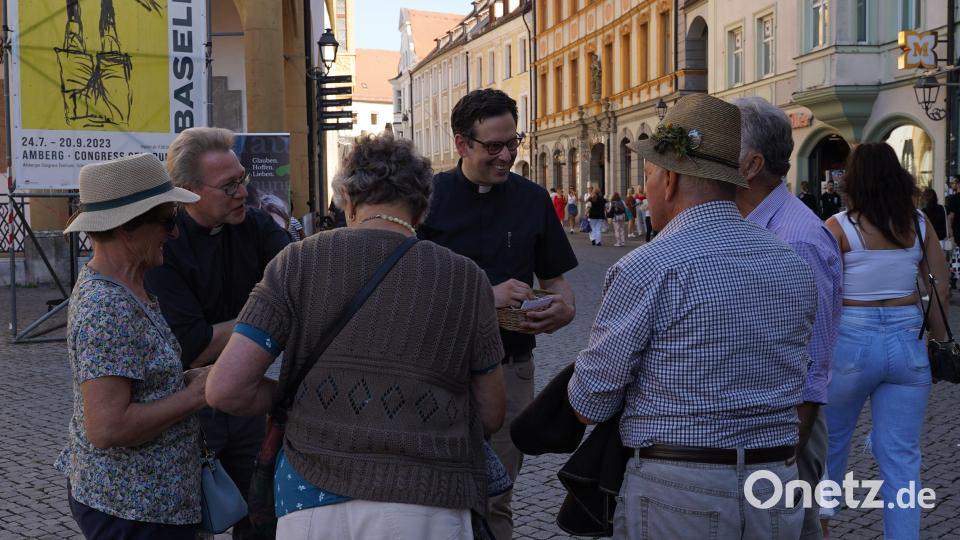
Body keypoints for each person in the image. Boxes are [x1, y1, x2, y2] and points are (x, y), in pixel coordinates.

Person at [205, 134, 507, 540]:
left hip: (310, 499)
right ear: (420, 207)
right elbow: (491, 414)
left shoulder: (297, 261)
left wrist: (305, 395)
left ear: (347, 197)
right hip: (430, 500)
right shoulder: (466, 278)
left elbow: (225, 389)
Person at [568, 94, 816, 540]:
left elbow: (590, 402)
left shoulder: (648, 266)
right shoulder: (791, 262)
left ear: (671, 180)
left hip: (680, 490)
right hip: (776, 483)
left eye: (647, 175)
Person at [419, 88, 578, 540]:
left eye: (514, 142)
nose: (507, 155)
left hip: (512, 369)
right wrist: (483, 295)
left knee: (497, 497)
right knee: (436, 494)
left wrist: (562, 309)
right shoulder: (425, 198)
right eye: (494, 146)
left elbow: (557, 281)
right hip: (438, 370)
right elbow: (404, 287)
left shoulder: (531, 198)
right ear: (461, 144)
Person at [145, 127, 292, 540]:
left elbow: (302, 283)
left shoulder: (256, 225)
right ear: (189, 192)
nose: (243, 192)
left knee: (261, 515)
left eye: (242, 178)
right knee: (193, 520)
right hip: (189, 407)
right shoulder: (164, 245)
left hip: (246, 396)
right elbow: (193, 346)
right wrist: (270, 311)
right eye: (229, 186)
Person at [56, 154, 208, 539]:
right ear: (127, 228)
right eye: (168, 221)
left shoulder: (132, 287)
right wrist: (197, 396)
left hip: (149, 505)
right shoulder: (106, 306)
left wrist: (189, 380)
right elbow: (107, 428)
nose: (174, 234)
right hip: (131, 510)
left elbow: (144, 384)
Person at [821, 143, 949, 540]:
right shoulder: (919, 224)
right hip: (906, 340)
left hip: (851, 339)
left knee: (831, 445)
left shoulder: (839, 226)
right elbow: (938, 286)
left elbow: (824, 294)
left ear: (853, 179)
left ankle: (820, 526)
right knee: (902, 457)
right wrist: (937, 340)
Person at [734, 97, 843, 540]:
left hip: (784, 431)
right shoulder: (748, 222)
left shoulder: (796, 240)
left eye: (721, 147)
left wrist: (785, 452)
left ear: (751, 164)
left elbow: (813, 364)